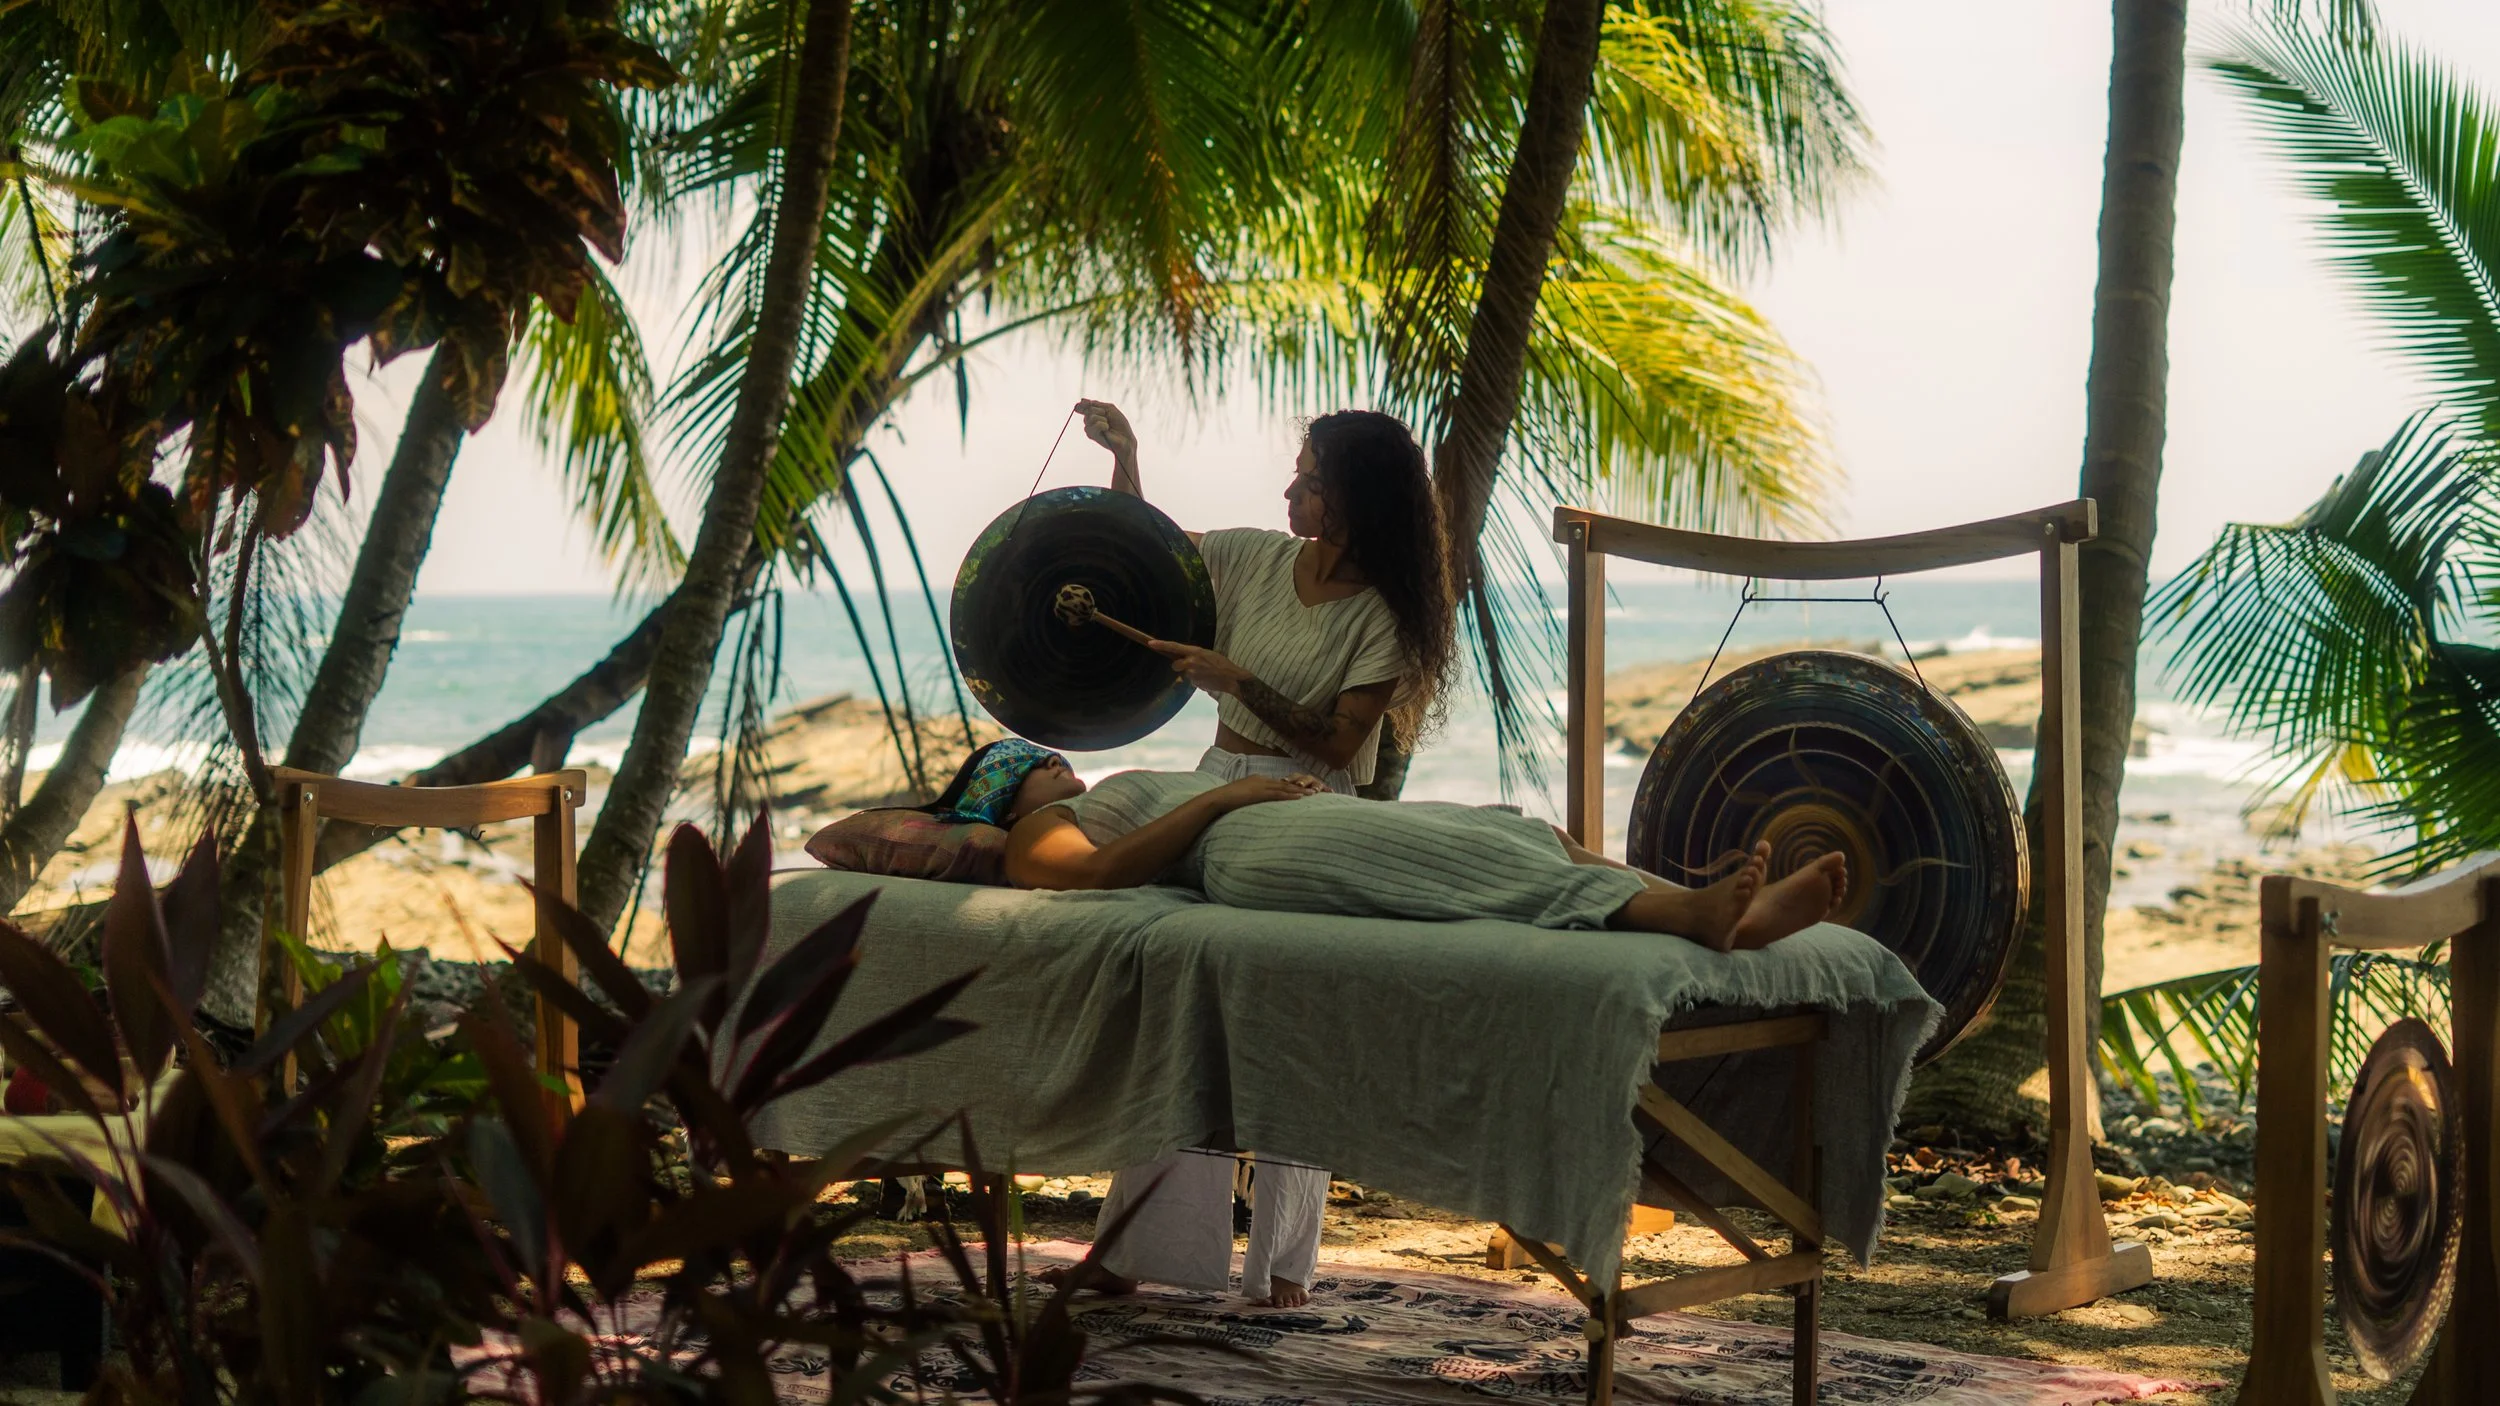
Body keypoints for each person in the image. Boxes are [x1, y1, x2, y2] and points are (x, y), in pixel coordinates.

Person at [952, 747, 1851, 1306]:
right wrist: (1222, 804)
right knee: (1464, 862)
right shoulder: (1039, 826)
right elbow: (1091, 875)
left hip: (1280, 825)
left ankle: (1684, 906)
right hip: (1243, 850)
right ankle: (1688, 918)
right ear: (1006, 793)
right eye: (1032, 762)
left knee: (1509, 830)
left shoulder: (1108, 786)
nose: (1058, 762)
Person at [1073, 399, 1457, 1306]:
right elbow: (1146, 552)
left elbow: (1334, 745)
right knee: (1177, 1000)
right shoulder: (1251, 556)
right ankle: (1139, 1250)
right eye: (1299, 471)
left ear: (1354, 499)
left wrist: (1235, 678)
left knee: (1291, 1021)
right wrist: (1128, 456)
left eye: (1312, 479)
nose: (1292, 489)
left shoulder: (1387, 618)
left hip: (1309, 810)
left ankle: (1280, 1268)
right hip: (1219, 786)